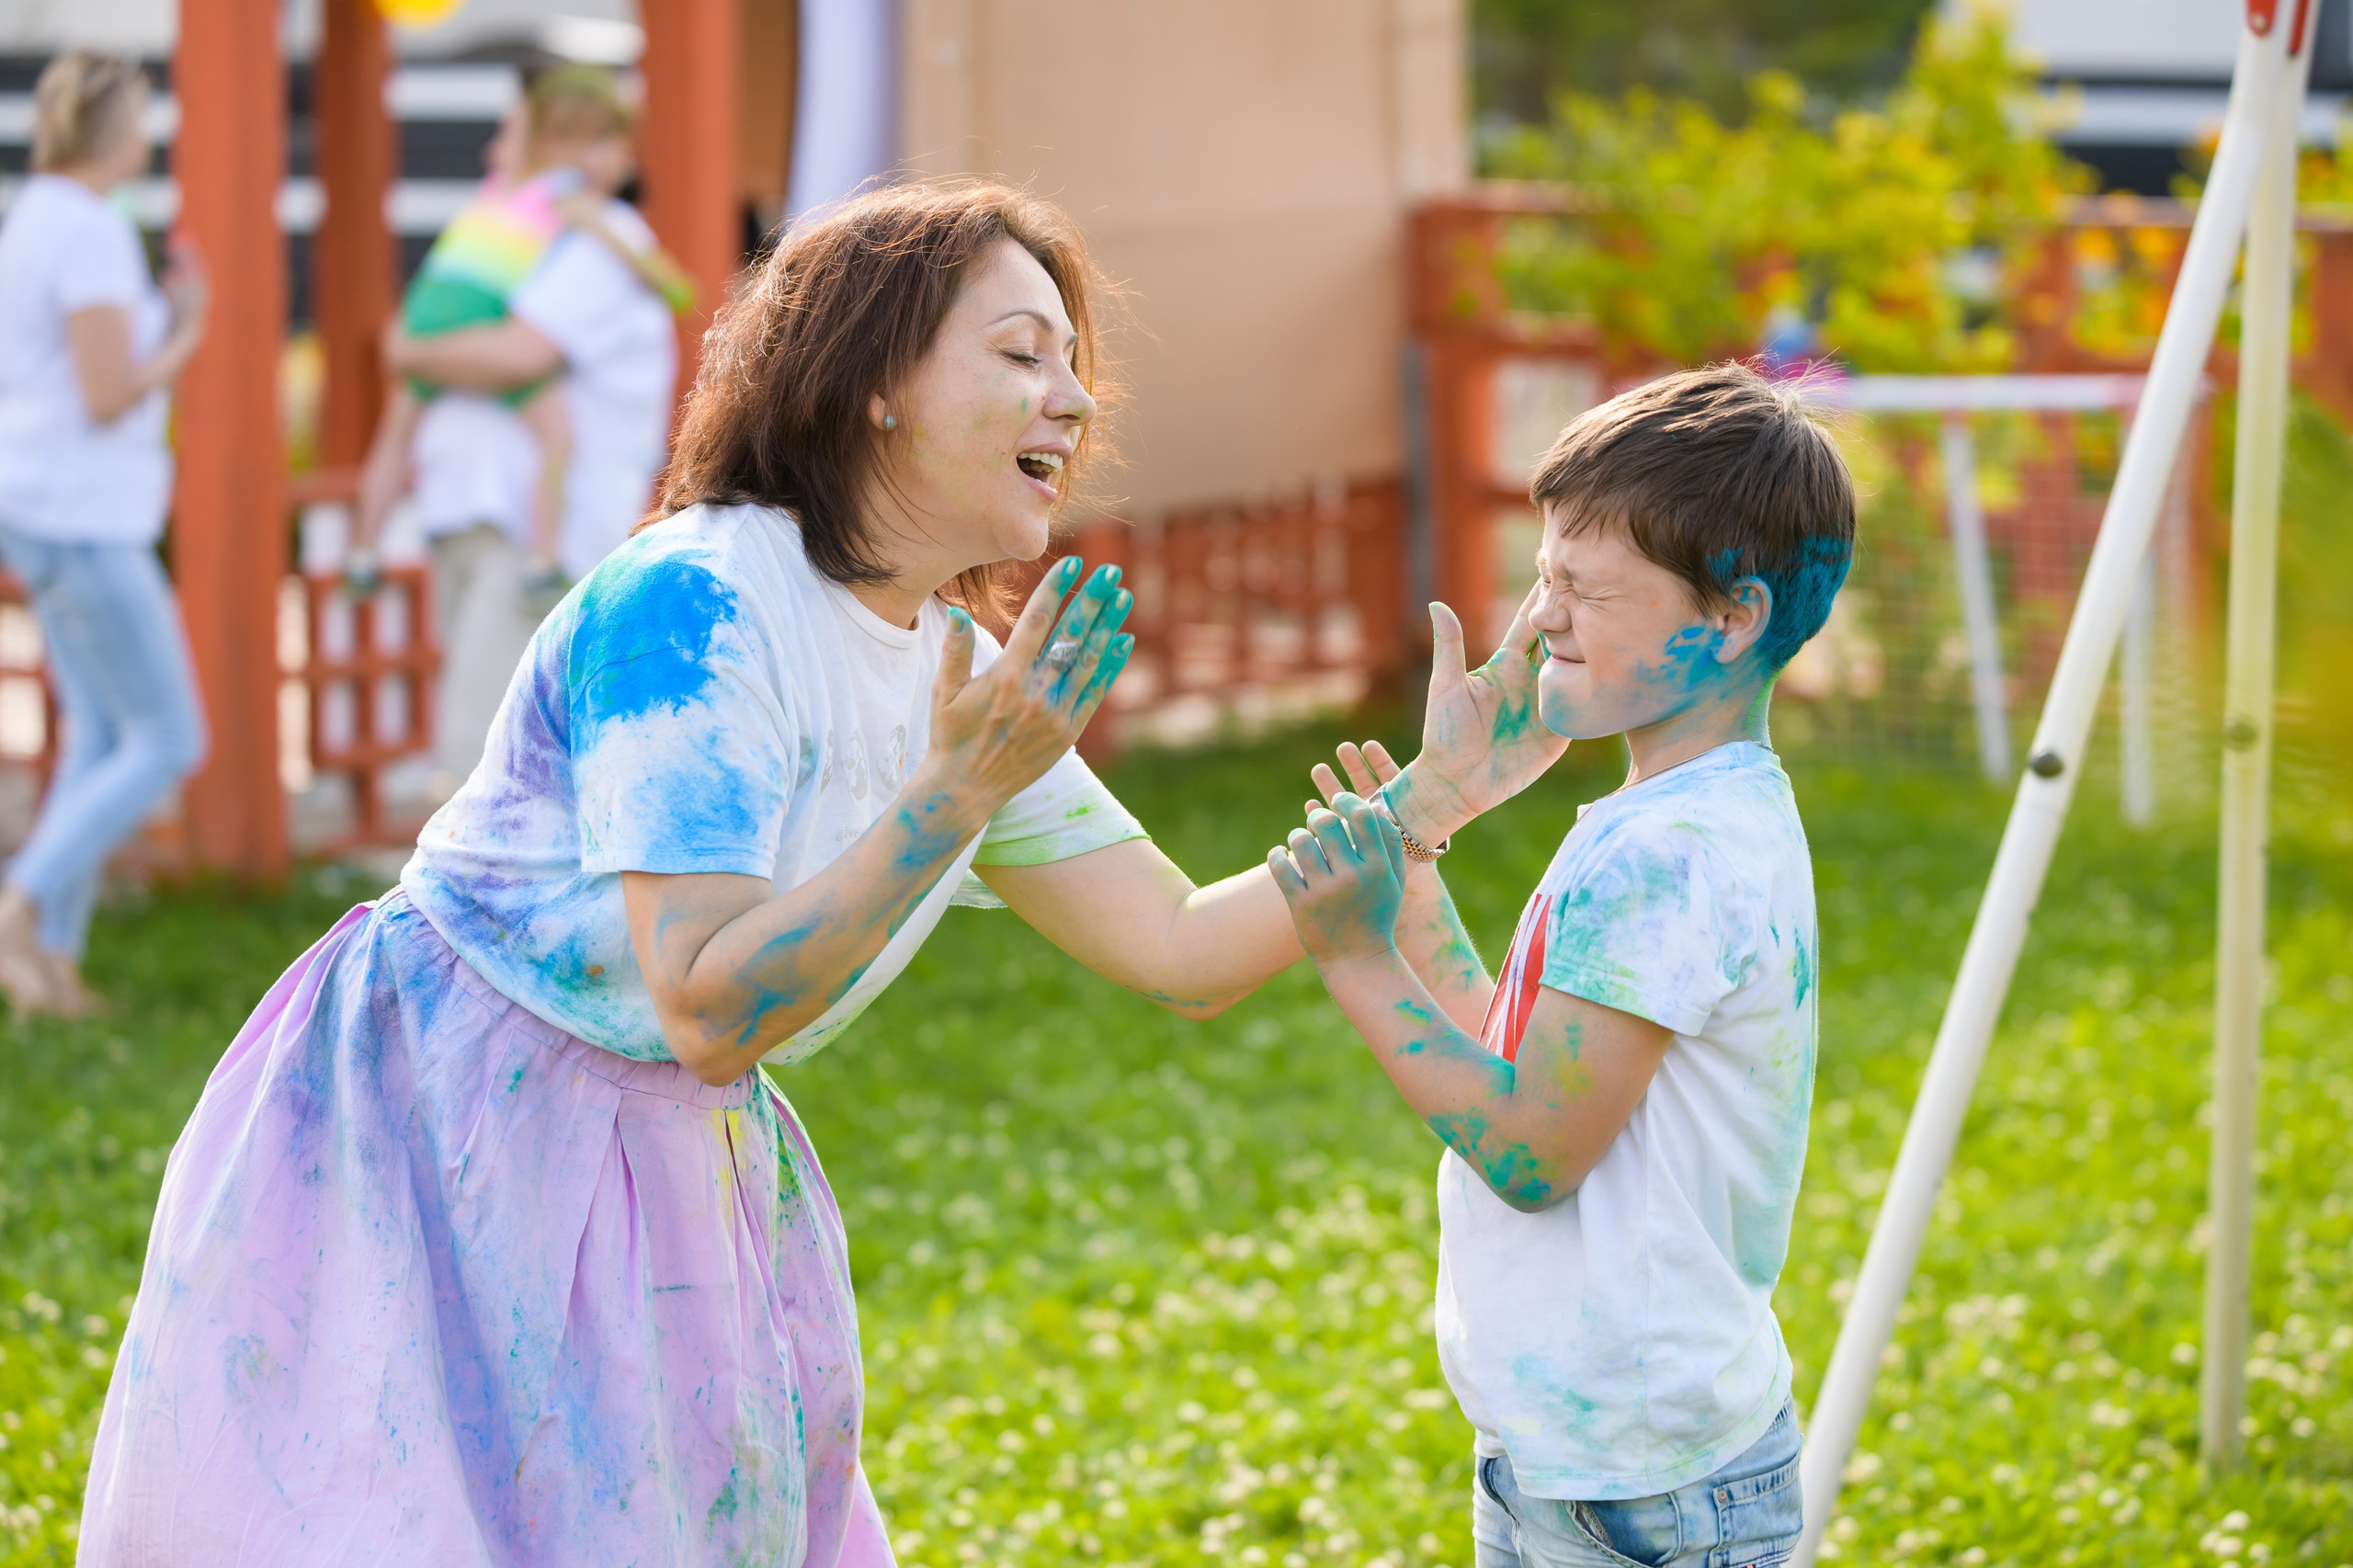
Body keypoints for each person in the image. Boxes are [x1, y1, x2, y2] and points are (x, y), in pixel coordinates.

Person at [78, 180, 1562, 1563]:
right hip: (442, 1119)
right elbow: (708, 1002)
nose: (1072, 396)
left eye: (1074, 362)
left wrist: (1427, 804)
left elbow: (1175, 947)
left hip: (675, 1159)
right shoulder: (699, 604)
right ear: (876, 384)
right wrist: (954, 791)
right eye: (1019, 352)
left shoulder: (956, 669)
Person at [1268, 366, 1857, 1568]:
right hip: (1583, 1466)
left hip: (1646, 1496)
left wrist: (1354, 954)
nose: (1541, 619)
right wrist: (1421, 843)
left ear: (1731, 618)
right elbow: (1516, 1062)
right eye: (1543, 576)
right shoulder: (1677, 818)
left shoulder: (1672, 857)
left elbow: (1532, 1149)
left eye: (1584, 588)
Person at [352, 63, 682, 790]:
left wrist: (407, 349)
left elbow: (519, 354)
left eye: (512, 129)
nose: (497, 149)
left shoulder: (602, 238)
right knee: (491, 748)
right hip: (473, 509)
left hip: (535, 530)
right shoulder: (518, 228)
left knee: (481, 760)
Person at [0, 52, 208, 1017]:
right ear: (109, 127)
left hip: (47, 506)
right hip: (84, 515)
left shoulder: (39, 216)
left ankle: (51, 961)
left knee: (98, 734)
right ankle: (22, 904)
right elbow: (107, 391)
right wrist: (186, 330)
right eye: (138, 117)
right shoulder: (85, 230)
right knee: (170, 734)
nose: (147, 134)